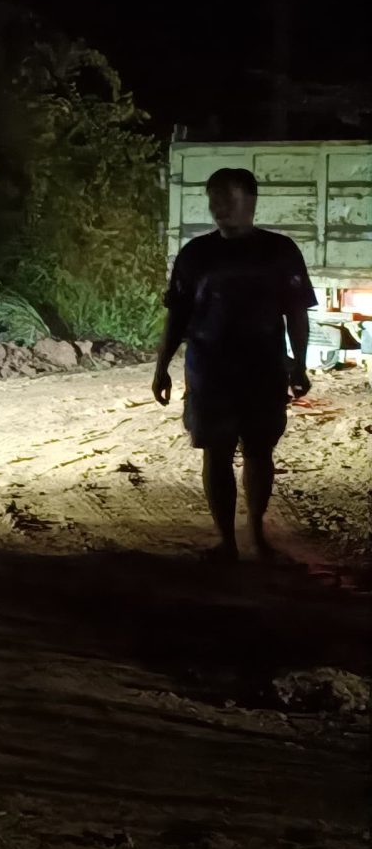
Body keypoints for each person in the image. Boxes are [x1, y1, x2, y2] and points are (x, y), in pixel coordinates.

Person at [153, 167, 314, 562]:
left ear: (251, 201)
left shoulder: (279, 251)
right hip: (210, 369)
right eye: (213, 198)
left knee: (260, 450)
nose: (218, 207)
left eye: (227, 197)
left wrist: (300, 364)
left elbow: (296, 314)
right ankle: (226, 541)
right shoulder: (196, 254)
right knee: (217, 451)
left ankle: (257, 535)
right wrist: (162, 367)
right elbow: (177, 315)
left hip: (263, 367)